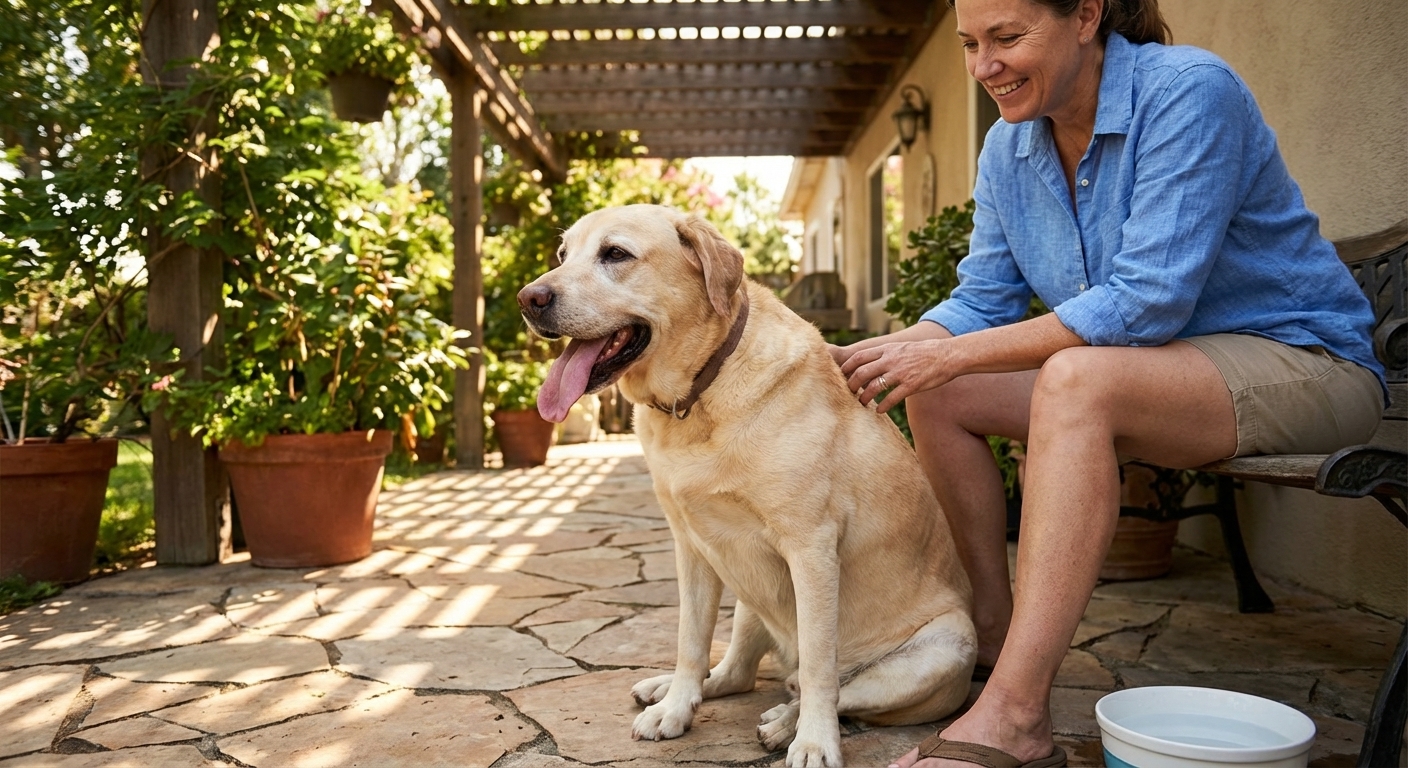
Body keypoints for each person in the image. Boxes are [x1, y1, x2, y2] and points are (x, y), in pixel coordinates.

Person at [828, 0, 1387, 766]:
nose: (983, 66)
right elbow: (978, 300)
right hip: (1158, 376)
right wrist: (890, 352)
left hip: (1307, 363)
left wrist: (954, 352)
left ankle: (1018, 718)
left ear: (1086, 15)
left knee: (1075, 380)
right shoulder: (1007, 148)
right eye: (967, 43)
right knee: (942, 390)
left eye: (1007, 38)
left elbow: (1146, 301)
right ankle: (992, 641)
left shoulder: (1189, 90)